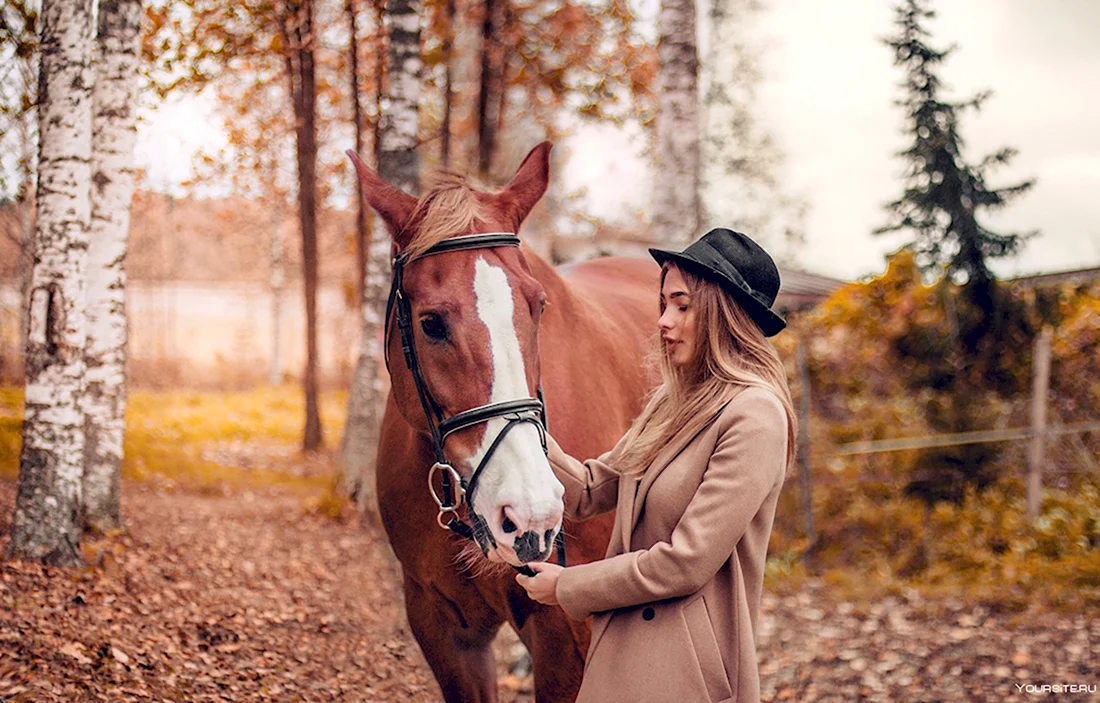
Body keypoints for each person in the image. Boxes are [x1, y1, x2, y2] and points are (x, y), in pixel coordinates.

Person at [516, 228, 797, 703]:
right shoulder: (671, 404)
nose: (664, 321)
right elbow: (588, 491)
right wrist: (521, 425)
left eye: (682, 306)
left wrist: (570, 585)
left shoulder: (756, 416)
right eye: (663, 304)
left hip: (685, 672)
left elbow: (686, 563)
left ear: (724, 314)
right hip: (627, 651)